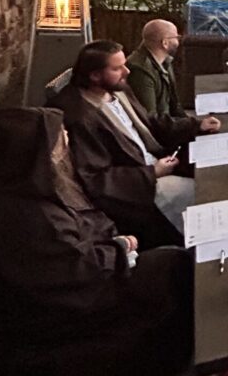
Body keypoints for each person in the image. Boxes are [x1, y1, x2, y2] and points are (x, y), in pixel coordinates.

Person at [0, 107, 191, 370]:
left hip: (97, 274)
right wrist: (118, 248)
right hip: (84, 307)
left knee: (173, 258)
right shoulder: (34, 216)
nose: (66, 137)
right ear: (36, 154)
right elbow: (80, 271)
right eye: (57, 138)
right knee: (178, 268)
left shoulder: (27, 189)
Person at [52, 41, 201, 247]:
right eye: (117, 68)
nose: (127, 71)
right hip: (137, 187)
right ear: (94, 75)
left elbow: (150, 123)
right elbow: (95, 179)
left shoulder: (117, 89)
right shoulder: (79, 117)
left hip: (158, 160)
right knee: (203, 195)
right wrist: (152, 172)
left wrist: (196, 125)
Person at [126, 19, 216, 135]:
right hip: (160, 137)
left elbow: (175, 106)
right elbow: (150, 120)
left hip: (170, 126)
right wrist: (196, 125)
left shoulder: (164, 61)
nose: (179, 41)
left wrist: (195, 124)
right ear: (165, 43)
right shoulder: (140, 70)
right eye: (176, 37)